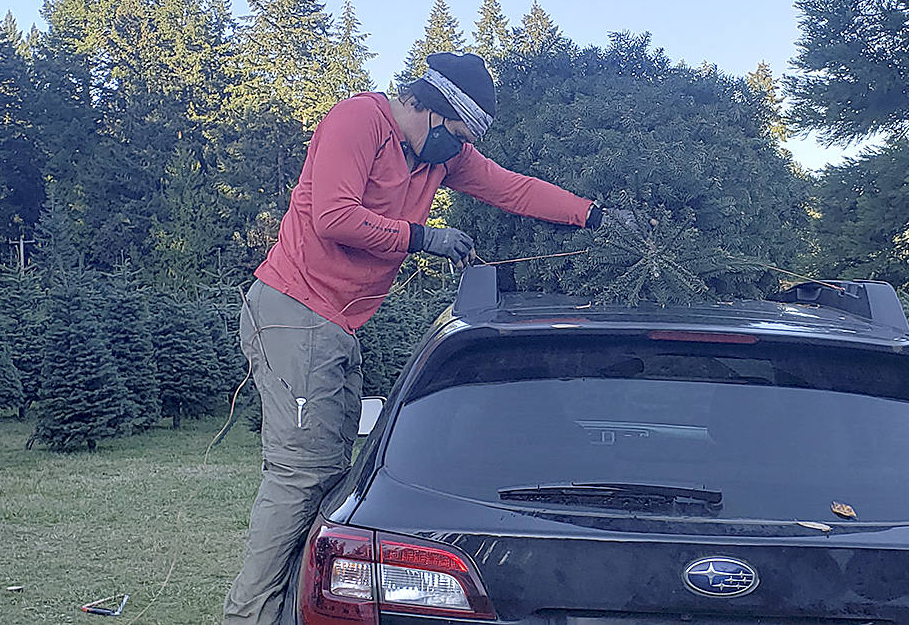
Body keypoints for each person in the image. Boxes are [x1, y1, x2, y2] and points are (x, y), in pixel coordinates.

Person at [223, 51, 629, 625]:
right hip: (295, 312)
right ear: (429, 109)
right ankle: (250, 617)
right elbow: (333, 217)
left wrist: (593, 215)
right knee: (300, 473)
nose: (460, 148)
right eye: (457, 133)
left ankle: (295, 609)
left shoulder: (441, 156)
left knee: (336, 472)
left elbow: (511, 189)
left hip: (337, 325)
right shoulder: (359, 121)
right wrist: (421, 236)